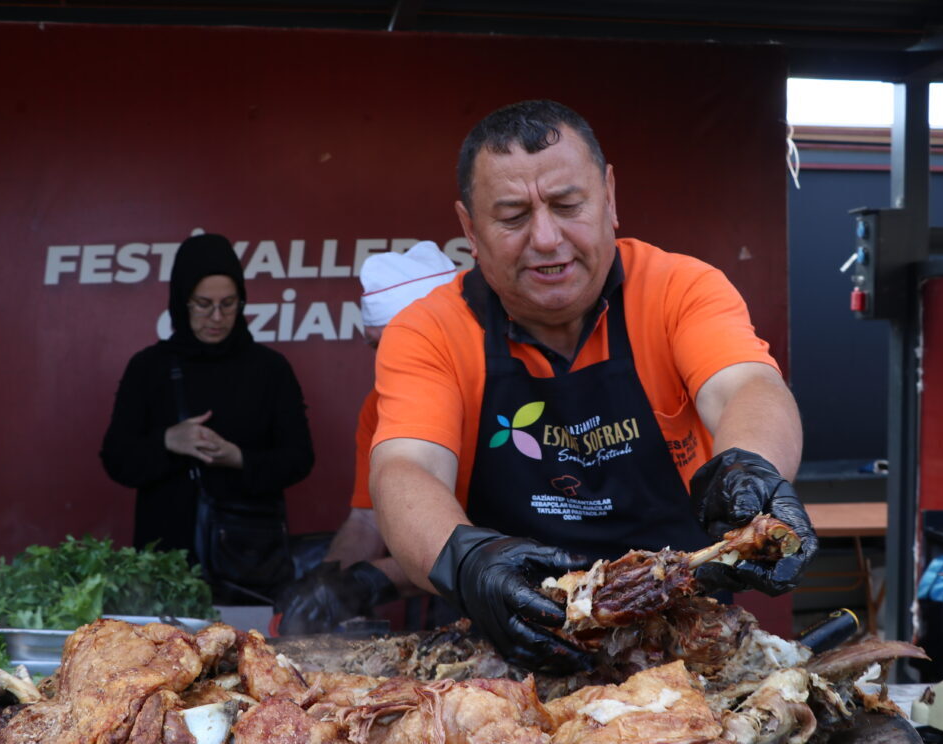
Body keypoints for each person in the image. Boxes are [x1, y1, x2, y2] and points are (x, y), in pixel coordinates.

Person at [368, 100, 819, 673]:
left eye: (567, 204)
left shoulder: (680, 289)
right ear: (469, 229)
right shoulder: (427, 331)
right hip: (515, 647)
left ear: (609, 196)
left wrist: (750, 468)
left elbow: (745, 386)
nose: (548, 239)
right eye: (512, 216)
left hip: (682, 644)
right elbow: (405, 469)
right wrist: (467, 560)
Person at [101, 232, 314, 603]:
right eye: (203, 304)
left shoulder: (269, 369)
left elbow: (299, 459)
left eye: (228, 304)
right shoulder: (149, 367)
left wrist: (239, 458)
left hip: (248, 567)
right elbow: (116, 458)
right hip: (165, 569)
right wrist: (168, 441)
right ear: (181, 302)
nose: (216, 317)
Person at [276, 242, 458, 634]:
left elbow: (492, 535)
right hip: (443, 609)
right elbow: (367, 520)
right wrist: (327, 580)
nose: (385, 360)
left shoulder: (500, 391)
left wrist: (367, 580)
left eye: (398, 341)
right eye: (376, 345)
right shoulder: (379, 406)